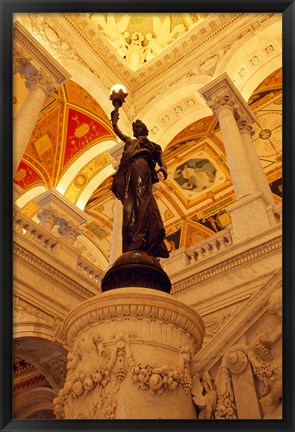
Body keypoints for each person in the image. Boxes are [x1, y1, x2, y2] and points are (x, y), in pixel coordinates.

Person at [110, 108, 169, 258]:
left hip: (142, 167)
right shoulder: (131, 142)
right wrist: (115, 120)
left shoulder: (153, 146)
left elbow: (162, 161)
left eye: (137, 127)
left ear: (145, 130)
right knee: (131, 203)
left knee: (143, 197)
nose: (135, 130)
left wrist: (163, 169)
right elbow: (118, 131)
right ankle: (134, 236)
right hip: (130, 170)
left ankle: (140, 236)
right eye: (134, 128)